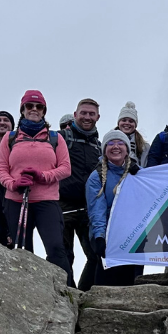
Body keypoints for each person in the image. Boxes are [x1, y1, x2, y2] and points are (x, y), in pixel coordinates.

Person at [0, 90, 74, 282]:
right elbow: (1, 169)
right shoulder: (10, 138)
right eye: (29, 106)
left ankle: (68, 291)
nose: (34, 109)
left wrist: (43, 176)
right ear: (22, 109)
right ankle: (25, 292)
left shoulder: (55, 138)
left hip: (47, 201)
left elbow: (65, 168)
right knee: (22, 250)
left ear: (44, 111)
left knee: (56, 248)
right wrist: (13, 184)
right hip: (15, 201)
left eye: (39, 107)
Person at [86, 130, 143, 286]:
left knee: (133, 280)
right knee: (107, 281)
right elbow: (97, 209)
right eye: (110, 143)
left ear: (127, 150)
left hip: (134, 236)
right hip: (109, 235)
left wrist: (141, 177)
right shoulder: (96, 177)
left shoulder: (139, 173)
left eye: (120, 143)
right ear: (104, 150)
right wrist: (99, 236)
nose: (115, 146)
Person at [58, 99, 102, 290]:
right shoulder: (60, 139)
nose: (87, 117)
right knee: (63, 255)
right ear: (75, 115)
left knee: (95, 255)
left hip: (88, 208)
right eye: (83, 113)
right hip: (62, 205)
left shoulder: (100, 146)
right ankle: (67, 295)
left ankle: (82, 294)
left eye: (92, 114)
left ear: (98, 117)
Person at [116, 101, 150, 167]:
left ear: (135, 124)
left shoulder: (144, 147)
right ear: (119, 122)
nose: (127, 123)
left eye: (131, 121)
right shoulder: (109, 142)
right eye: (124, 120)